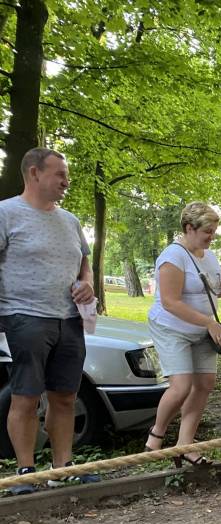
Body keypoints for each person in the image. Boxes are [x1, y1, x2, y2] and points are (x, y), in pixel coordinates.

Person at [0, 148, 98, 491]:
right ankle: (26, 472)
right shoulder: (6, 213)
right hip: (24, 317)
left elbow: (84, 264)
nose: (66, 182)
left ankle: (62, 468)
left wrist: (87, 283)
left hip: (69, 320)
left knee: (65, 396)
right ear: (34, 173)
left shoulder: (70, 220)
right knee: (26, 397)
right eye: (60, 174)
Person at [145, 202, 221, 467]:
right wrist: (210, 323)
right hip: (172, 328)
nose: (212, 237)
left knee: (205, 384)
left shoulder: (209, 256)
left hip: (202, 330)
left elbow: (210, 290)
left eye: (214, 231)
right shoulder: (173, 257)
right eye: (207, 231)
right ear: (189, 228)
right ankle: (156, 435)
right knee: (181, 386)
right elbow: (170, 302)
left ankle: (185, 445)